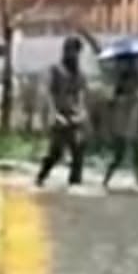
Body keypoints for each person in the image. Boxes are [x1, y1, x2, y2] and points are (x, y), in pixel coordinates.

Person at [35, 36, 88, 188]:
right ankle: (41, 177)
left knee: (78, 150)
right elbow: (47, 93)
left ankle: (75, 184)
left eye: (76, 52)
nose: (74, 55)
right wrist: (53, 114)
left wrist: (81, 112)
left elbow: (81, 95)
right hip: (59, 115)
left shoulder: (79, 74)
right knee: (55, 152)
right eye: (71, 51)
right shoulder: (56, 70)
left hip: (74, 116)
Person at [102, 54, 138, 192]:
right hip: (124, 120)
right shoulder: (125, 81)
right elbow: (114, 100)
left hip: (133, 120)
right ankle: (107, 179)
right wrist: (132, 97)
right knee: (120, 154)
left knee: (134, 152)